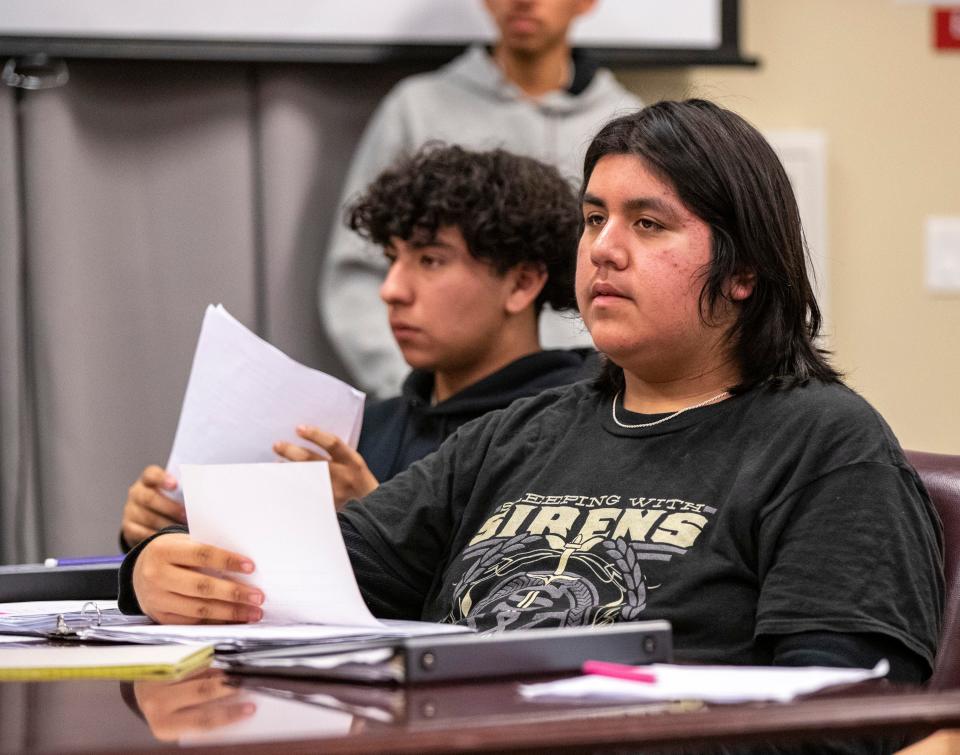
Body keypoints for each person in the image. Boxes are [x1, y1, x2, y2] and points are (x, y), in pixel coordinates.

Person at [120, 100, 943, 684]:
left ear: (744, 273)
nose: (604, 251)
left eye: (647, 225)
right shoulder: (522, 433)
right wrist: (153, 571)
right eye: (593, 220)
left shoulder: (825, 444)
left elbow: (839, 714)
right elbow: (305, 580)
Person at [120, 145, 591, 550]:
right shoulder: (361, 430)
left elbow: (529, 593)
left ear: (523, 283)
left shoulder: (577, 428)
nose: (391, 289)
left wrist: (374, 515)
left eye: (429, 260)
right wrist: (167, 533)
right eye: (392, 259)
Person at [322, 0, 642, 398]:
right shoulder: (418, 109)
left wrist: (610, 395)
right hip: (449, 408)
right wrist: (415, 393)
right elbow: (358, 273)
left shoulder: (626, 125)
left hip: (590, 404)